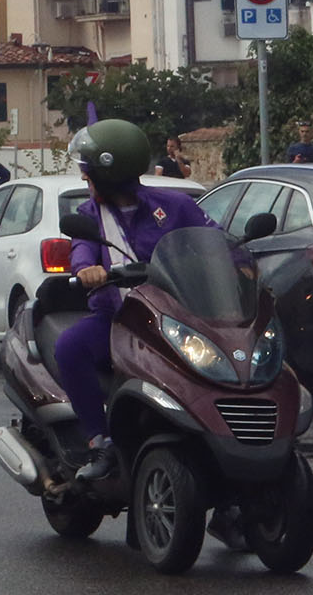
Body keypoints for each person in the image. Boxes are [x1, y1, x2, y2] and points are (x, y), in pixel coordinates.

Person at [53, 121, 214, 486]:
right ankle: (100, 441)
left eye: (89, 174)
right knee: (70, 346)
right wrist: (88, 270)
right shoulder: (90, 217)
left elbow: (215, 240)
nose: (85, 181)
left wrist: (240, 265)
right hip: (119, 322)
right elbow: (82, 252)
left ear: (108, 176)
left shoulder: (176, 207)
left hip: (179, 321)